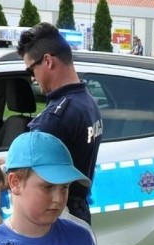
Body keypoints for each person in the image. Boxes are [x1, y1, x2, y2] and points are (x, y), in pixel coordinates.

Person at [17, 22, 102, 224]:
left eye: (31, 70)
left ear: (47, 61)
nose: (33, 79)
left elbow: (19, 173)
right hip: (76, 211)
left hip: (54, 217)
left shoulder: (55, 119)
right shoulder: (87, 101)